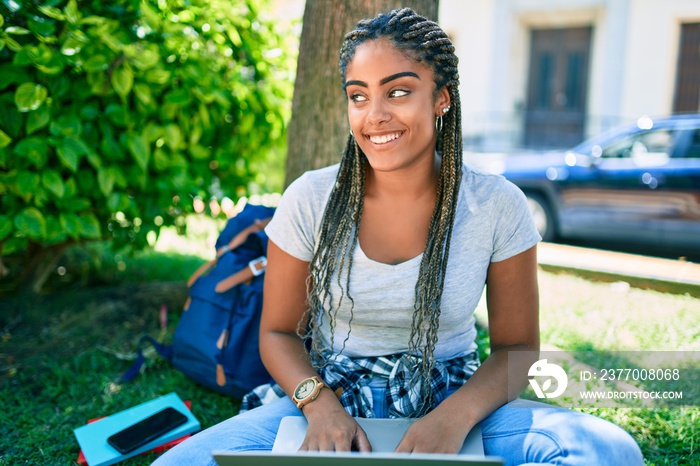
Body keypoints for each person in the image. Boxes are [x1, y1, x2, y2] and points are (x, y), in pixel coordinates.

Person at [153, 8, 643, 465]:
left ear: (442, 98)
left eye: (399, 91)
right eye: (358, 95)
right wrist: (320, 408)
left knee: (607, 450)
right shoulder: (310, 197)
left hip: (453, 395)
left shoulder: (496, 205)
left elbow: (517, 349)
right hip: (331, 395)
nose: (374, 115)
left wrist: (451, 421)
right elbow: (277, 333)